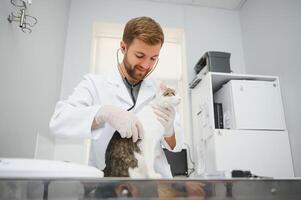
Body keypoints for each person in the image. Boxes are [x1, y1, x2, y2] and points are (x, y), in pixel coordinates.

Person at [49, 16, 183, 178]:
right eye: (140, 56)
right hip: (110, 182)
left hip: (153, 182)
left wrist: (169, 129)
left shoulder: (159, 89)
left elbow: (176, 145)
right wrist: (102, 113)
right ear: (123, 47)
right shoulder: (94, 84)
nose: (146, 65)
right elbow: (59, 121)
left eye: (153, 58)